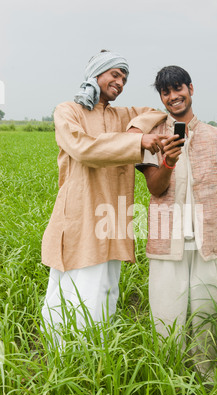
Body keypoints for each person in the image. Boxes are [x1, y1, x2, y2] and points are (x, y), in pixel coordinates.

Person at [135, 65, 217, 380]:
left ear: (190, 88)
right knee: (166, 319)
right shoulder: (153, 138)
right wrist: (168, 162)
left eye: (178, 89)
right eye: (166, 92)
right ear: (161, 97)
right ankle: (169, 381)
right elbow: (155, 188)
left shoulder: (216, 136)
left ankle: (207, 378)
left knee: (208, 316)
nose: (174, 97)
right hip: (166, 244)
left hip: (207, 242)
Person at [41, 50, 167, 338]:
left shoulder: (122, 115)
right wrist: (136, 141)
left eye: (124, 78)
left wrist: (135, 130)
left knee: (106, 286)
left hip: (112, 215)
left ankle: (97, 355)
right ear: (96, 74)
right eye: (114, 74)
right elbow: (84, 149)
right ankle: (66, 356)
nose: (120, 82)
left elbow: (158, 112)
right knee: (78, 284)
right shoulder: (68, 111)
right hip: (81, 213)